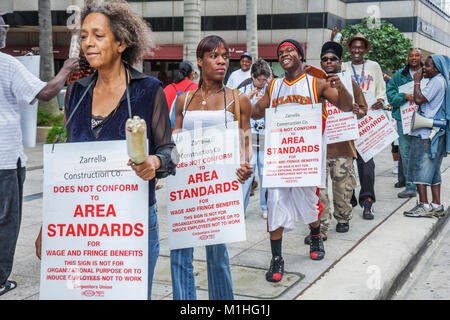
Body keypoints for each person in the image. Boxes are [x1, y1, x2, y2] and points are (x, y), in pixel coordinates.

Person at [34, 0, 177, 300]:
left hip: (131, 226)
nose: (88, 43)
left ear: (122, 42)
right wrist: (50, 223)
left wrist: (154, 161)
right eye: (84, 36)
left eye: (98, 35)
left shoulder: (149, 90)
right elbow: (67, 166)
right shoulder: (76, 91)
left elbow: (170, 152)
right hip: (82, 225)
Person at [252, 39, 353, 282]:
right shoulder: (273, 87)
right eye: (280, 52)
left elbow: (347, 106)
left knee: (310, 201)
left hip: (307, 156)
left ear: (300, 55)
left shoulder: (316, 84)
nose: (284, 54)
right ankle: (277, 258)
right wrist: (245, 99)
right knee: (275, 201)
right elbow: (255, 112)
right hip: (280, 157)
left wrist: (342, 88)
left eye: (289, 51)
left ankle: (316, 234)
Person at [0, 16, 79, 296]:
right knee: (6, 221)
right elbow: (45, 92)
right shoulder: (6, 64)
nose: (5, 33)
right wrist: (66, 68)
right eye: (1, 28)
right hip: (5, 161)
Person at [171, 35, 253, 300]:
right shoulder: (183, 100)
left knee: (217, 253)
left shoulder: (237, 99)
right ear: (199, 61)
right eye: (214, 56)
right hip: (188, 185)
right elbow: (176, 140)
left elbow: (246, 138)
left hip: (219, 186)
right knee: (180, 251)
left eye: (225, 56)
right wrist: (167, 168)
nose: (221, 61)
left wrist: (245, 164)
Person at [304, 41, 367, 243]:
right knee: (318, 191)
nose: (328, 62)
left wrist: (358, 111)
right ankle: (320, 227)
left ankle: (343, 217)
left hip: (342, 146)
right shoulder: (312, 83)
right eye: (325, 59)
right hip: (318, 147)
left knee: (342, 189)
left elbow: (364, 110)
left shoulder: (350, 84)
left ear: (340, 62)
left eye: (333, 59)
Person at [341, 32, 387, 220]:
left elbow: (380, 89)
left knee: (367, 163)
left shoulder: (373, 66)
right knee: (345, 163)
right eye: (354, 47)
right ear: (350, 49)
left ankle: (367, 202)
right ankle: (348, 200)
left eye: (360, 47)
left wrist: (380, 100)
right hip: (346, 120)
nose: (357, 50)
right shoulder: (343, 67)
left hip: (368, 121)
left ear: (365, 49)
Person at [403, 54, 449, 218]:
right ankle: (436, 205)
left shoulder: (437, 81)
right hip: (433, 132)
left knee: (419, 169)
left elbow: (419, 98)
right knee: (433, 170)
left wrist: (416, 81)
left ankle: (424, 205)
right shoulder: (441, 80)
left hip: (425, 133)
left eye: (427, 66)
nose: (424, 68)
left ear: (436, 68)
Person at [387, 48, 424, 198]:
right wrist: (405, 96)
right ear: (408, 57)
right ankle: (410, 185)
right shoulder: (399, 75)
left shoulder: (428, 72)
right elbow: (391, 96)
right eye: (411, 55)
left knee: (423, 152)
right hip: (404, 119)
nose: (413, 58)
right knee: (406, 152)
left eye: (416, 55)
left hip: (424, 118)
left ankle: (422, 182)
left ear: (421, 57)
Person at [238, 58, 272, 219]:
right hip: (248, 138)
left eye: (266, 79)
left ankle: (266, 207)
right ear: (252, 76)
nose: (263, 82)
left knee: (266, 173)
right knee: (247, 173)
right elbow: (235, 111)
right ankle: (241, 210)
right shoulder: (243, 89)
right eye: (260, 79)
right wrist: (249, 98)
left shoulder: (270, 89)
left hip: (266, 136)